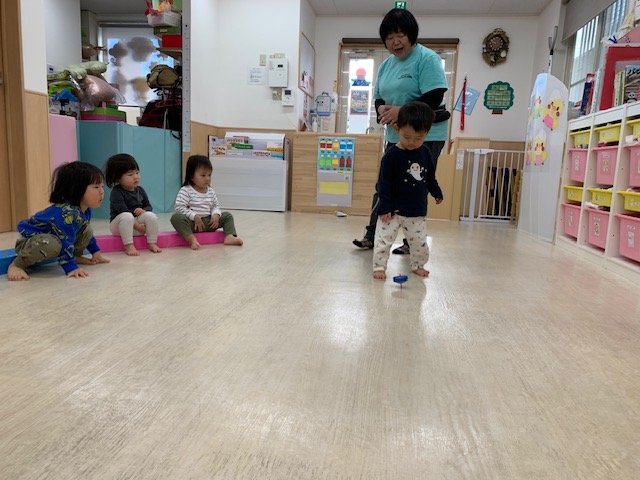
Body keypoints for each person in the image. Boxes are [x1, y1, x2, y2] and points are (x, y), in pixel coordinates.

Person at [353, 7, 449, 254]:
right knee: (384, 184)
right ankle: (372, 235)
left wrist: (401, 111)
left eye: (400, 35)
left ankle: (411, 242)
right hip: (395, 135)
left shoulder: (427, 59)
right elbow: (378, 97)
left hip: (424, 137)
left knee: (414, 186)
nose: (395, 41)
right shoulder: (386, 66)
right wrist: (381, 109)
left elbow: (435, 96)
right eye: (389, 37)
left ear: (411, 35)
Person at [372, 101, 443, 280]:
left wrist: (436, 192)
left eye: (418, 138)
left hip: (416, 209)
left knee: (419, 242)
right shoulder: (391, 155)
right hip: (391, 210)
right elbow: (383, 183)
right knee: (383, 240)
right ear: (397, 129)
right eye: (406, 136)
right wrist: (386, 206)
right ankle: (379, 267)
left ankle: (418, 265)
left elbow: (429, 177)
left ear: (426, 133)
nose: (412, 142)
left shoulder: (425, 153)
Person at [7, 162, 110, 281]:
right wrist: (71, 267)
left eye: (102, 186)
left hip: (53, 239)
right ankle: (17, 265)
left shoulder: (85, 210)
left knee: (87, 229)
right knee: (53, 243)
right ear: (76, 189)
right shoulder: (66, 213)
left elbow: (85, 233)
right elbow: (65, 240)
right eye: (96, 187)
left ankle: (75, 256)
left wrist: (96, 252)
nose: (102, 191)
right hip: (29, 242)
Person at [170, 155, 243, 250]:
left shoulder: (211, 191)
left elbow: (215, 206)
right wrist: (194, 216)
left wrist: (216, 215)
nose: (207, 178)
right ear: (191, 176)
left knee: (227, 216)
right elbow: (179, 207)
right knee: (176, 217)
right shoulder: (186, 190)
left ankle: (229, 237)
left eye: (209, 175)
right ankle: (192, 240)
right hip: (193, 224)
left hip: (209, 223)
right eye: (203, 175)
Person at [104, 153, 162, 256]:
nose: (135, 177)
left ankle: (152, 243)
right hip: (119, 227)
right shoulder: (116, 192)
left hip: (137, 228)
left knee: (151, 215)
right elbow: (122, 210)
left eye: (137, 173)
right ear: (118, 177)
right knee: (127, 216)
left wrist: (144, 211)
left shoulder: (140, 190)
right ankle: (129, 246)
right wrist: (137, 225)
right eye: (130, 174)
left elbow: (148, 205)